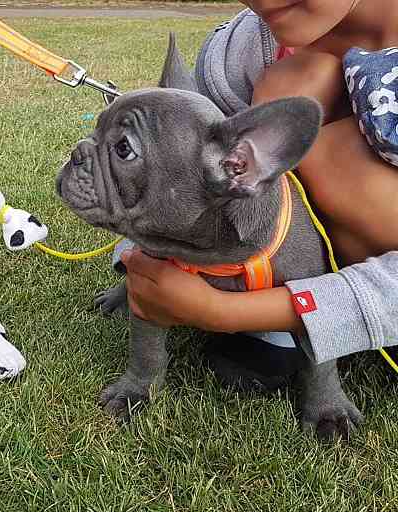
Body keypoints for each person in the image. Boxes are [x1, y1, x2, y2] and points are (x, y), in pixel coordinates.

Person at [119, 0, 398, 366]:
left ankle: (293, 321)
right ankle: (274, 322)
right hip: (268, 260)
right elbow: (176, 179)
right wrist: (142, 268)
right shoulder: (243, 51)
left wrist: (224, 312)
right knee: (297, 81)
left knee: (335, 157)